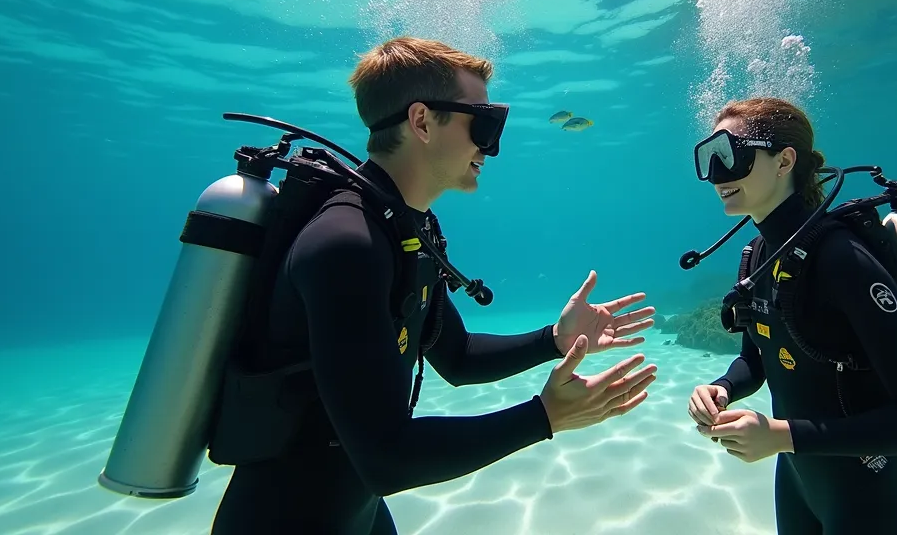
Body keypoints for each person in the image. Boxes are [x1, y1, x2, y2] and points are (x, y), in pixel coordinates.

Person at [210, 37, 658, 534]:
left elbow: (458, 356)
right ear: (422, 121)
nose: (490, 147)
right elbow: (386, 460)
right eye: (483, 124)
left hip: (355, 512)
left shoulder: (401, 228)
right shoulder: (348, 243)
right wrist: (544, 417)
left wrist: (554, 339)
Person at [685, 96, 897, 534]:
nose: (717, 176)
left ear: (784, 160)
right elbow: (757, 359)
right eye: (709, 158)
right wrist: (723, 388)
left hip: (869, 496)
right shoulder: (759, 256)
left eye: (732, 156)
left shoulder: (841, 260)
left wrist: (779, 435)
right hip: (797, 478)